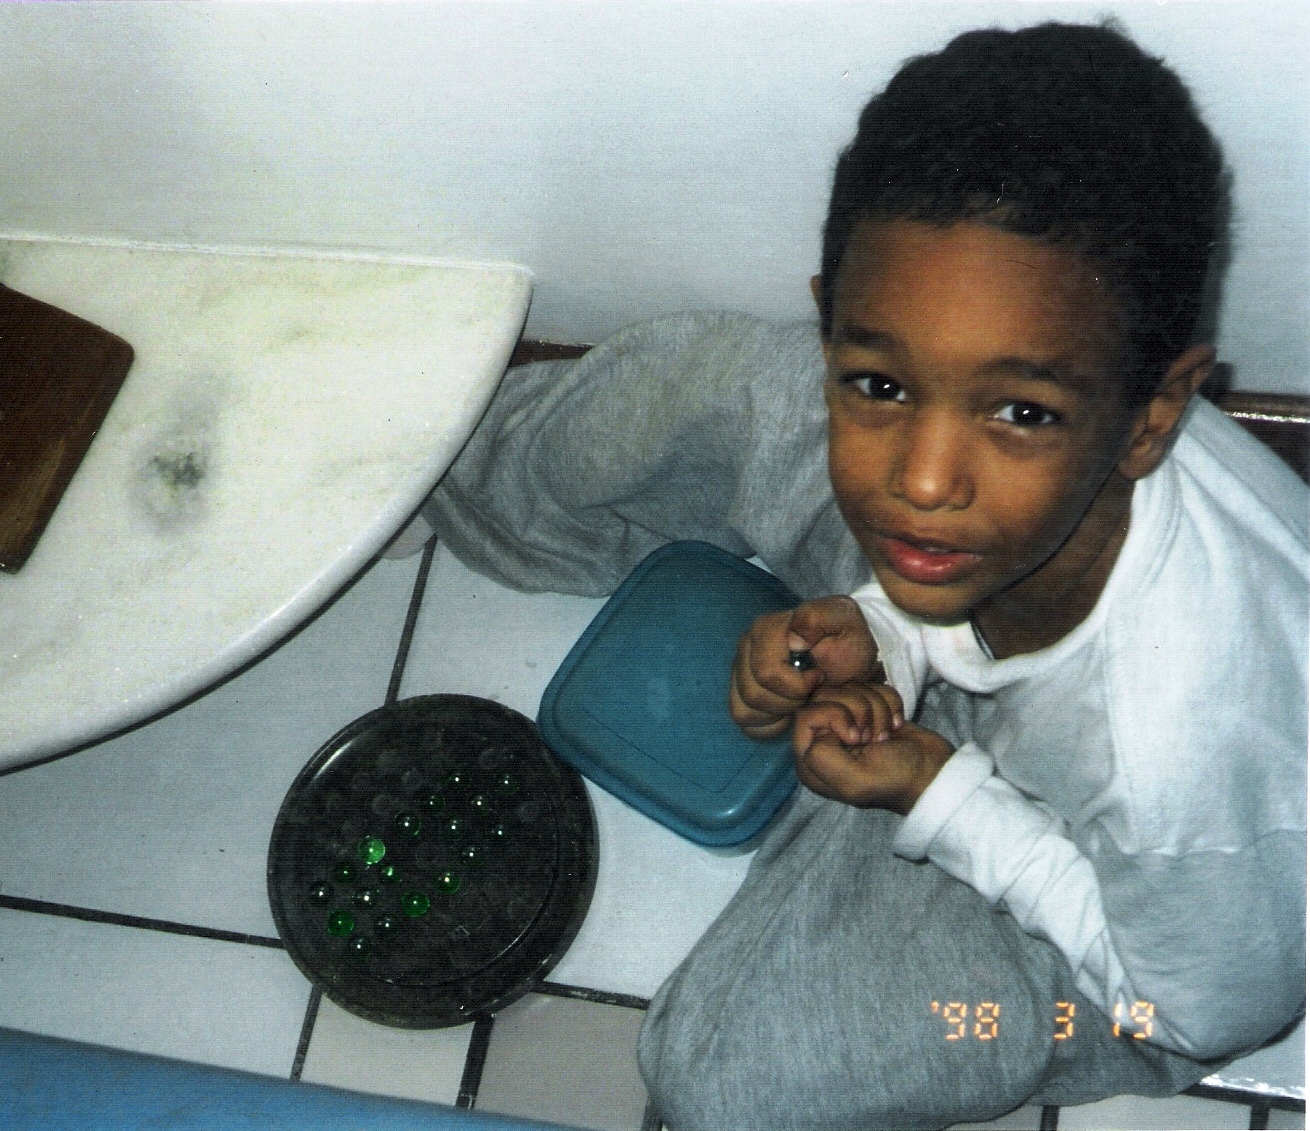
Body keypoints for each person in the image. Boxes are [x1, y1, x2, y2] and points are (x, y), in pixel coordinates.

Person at [423, 21, 1306, 1130]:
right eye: (879, 382)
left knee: (727, 1080)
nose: (920, 480)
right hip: (1002, 584)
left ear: (1153, 416)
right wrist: (880, 632)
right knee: (708, 383)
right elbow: (918, 490)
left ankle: (873, 827)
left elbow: (1198, 1010)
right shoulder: (982, 496)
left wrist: (940, 795)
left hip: (1131, 942)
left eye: (1021, 410)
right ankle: (426, 481)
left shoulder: (1179, 759)